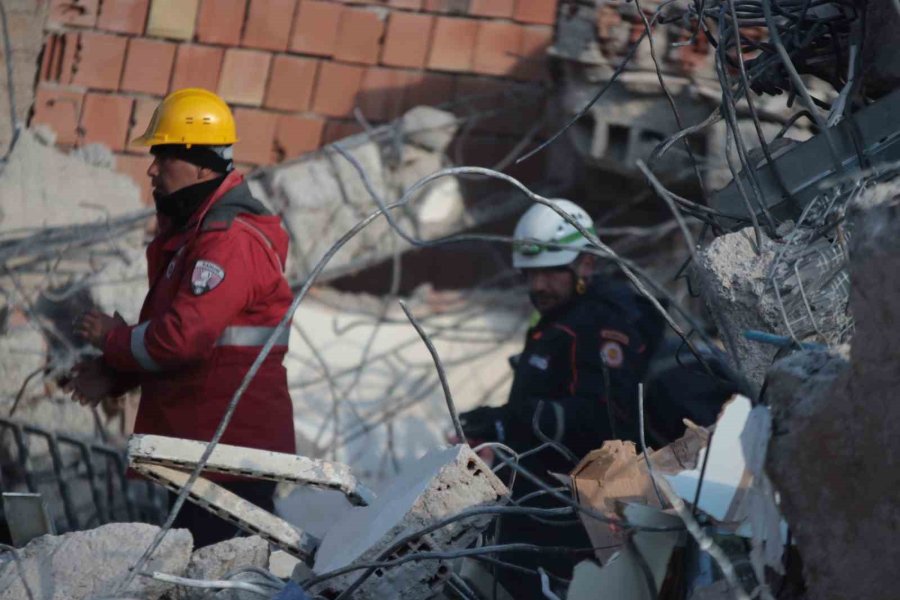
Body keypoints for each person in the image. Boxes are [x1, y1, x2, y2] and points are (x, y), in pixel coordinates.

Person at [68, 88, 296, 547]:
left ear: (198, 162)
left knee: (225, 576)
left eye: (164, 155)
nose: (152, 169)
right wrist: (117, 374)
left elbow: (181, 339)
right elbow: (201, 348)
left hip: (230, 453)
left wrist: (114, 340)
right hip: (206, 445)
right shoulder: (198, 234)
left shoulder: (229, 241)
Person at [458, 199, 666, 597]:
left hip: (577, 515)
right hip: (535, 501)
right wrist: (493, 426)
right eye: (531, 274)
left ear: (585, 264)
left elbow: (607, 421)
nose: (538, 286)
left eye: (552, 273)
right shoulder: (560, 317)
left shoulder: (604, 324)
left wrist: (513, 422)